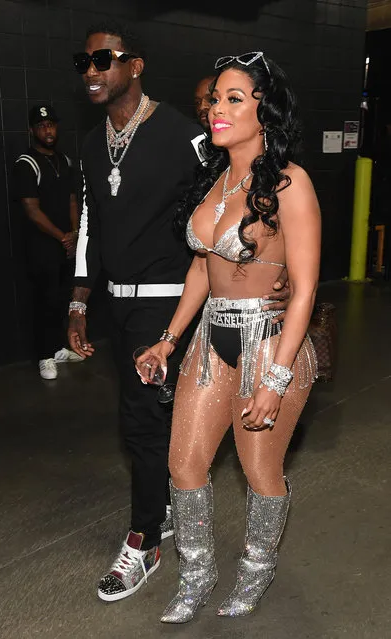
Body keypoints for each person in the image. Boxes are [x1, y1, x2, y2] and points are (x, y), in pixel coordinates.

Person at [68, 22, 291, 604]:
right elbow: (90, 225)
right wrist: (79, 298)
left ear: (134, 65)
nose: (91, 70)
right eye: (83, 62)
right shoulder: (91, 145)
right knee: (152, 427)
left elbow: (246, 202)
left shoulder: (186, 137)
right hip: (118, 306)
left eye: (103, 59)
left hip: (169, 305)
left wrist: (281, 271)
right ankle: (165, 508)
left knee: (141, 423)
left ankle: (144, 539)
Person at [137, 51, 321, 623]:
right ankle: (197, 573)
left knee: (260, 470)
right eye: (215, 98)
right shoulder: (215, 181)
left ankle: (255, 571)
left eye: (233, 98)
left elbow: (307, 288)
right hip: (209, 341)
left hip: (270, 342)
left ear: (265, 110)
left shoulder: (291, 182)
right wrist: (167, 338)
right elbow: (202, 268)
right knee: (183, 463)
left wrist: (277, 377)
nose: (217, 108)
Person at [14, 104, 83, 380]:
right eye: (42, 125)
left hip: (65, 245)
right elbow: (31, 209)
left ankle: (56, 349)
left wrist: (75, 232)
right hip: (42, 245)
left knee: (60, 299)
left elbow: (71, 200)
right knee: (43, 301)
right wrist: (62, 236)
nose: (48, 130)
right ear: (32, 130)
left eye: (51, 124)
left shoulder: (65, 161)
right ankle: (45, 356)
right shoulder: (26, 163)